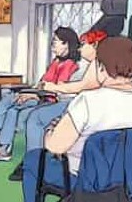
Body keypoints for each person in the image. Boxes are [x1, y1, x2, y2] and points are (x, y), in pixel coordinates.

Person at [23, 36, 132, 202]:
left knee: (33, 159)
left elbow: (55, 147)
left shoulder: (88, 100)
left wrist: (50, 131)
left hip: (88, 181)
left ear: (101, 67)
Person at [18, 29, 108, 182]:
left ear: (95, 45)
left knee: (36, 117)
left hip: (78, 105)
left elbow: (82, 86)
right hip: (76, 103)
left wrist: (54, 87)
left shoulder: (94, 64)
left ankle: (34, 165)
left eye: (83, 44)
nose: (79, 48)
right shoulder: (91, 63)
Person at [0, 27, 80, 162]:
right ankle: (3, 150)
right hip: (40, 96)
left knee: (7, 100)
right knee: (11, 110)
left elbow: (56, 89)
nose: (52, 45)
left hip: (48, 101)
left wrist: (33, 95)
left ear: (66, 44)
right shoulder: (56, 62)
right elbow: (42, 83)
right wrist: (30, 92)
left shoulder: (69, 65)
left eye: (55, 41)